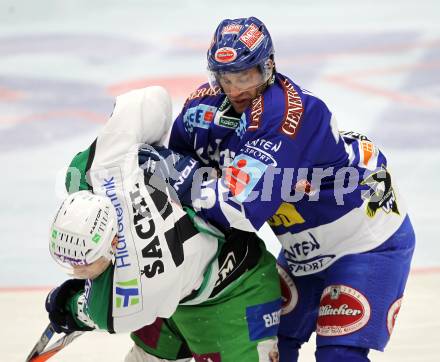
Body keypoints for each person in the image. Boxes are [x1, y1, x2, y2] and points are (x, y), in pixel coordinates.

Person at [139, 17, 416, 362]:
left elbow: (236, 208)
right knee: (270, 345)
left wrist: (167, 172)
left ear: (268, 67)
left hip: (367, 241)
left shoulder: (290, 113)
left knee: (339, 354)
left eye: (246, 76)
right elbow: (176, 182)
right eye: (226, 77)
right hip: (303, 253)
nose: (236, 88)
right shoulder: (201, 110)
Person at [46, 86, 282, 362]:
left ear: (113, 243)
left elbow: (94, 312)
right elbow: (154, 99)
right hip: (180, 294)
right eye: (68, 259)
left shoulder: (123, 300)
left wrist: (71, 308)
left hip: (235, 296)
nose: (76, 269)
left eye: (84, 260)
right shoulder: (100, 171)